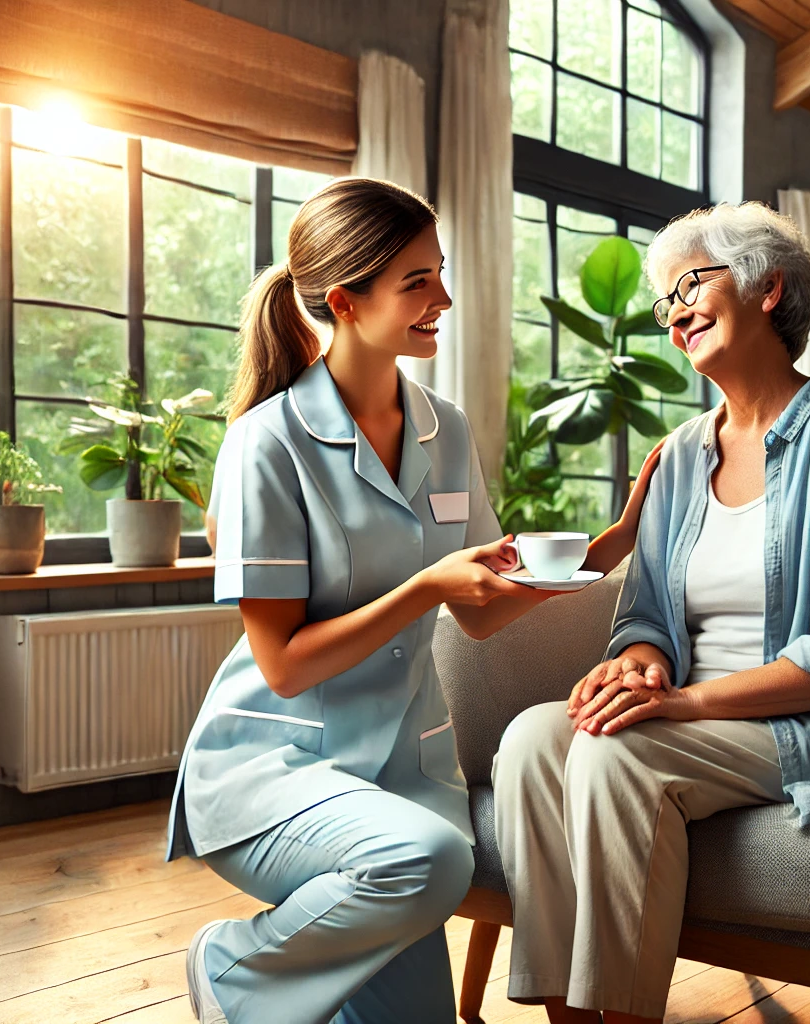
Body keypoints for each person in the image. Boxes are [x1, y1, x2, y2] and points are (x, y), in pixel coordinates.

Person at [168, 177, 658, 1024]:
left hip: (401, 775)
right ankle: (232, 970)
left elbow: (482, 607)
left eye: (440, 274)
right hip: (276, 770)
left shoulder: (446, 427)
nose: (445, 299)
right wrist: (423, 585)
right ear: (345, 302)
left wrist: (615, 542)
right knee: (432, 862)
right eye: (417, 282)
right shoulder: (266, 445)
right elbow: (283, 666)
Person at [492, 202, 810, 1024]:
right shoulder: (679, 456)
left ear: (768, 288)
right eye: (665, 301)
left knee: (616, 757)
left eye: (690, 286)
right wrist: (643, 666)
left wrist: (678, 703)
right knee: (535, 738)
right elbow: (646, 618)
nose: (674, 314)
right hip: (697, 716)